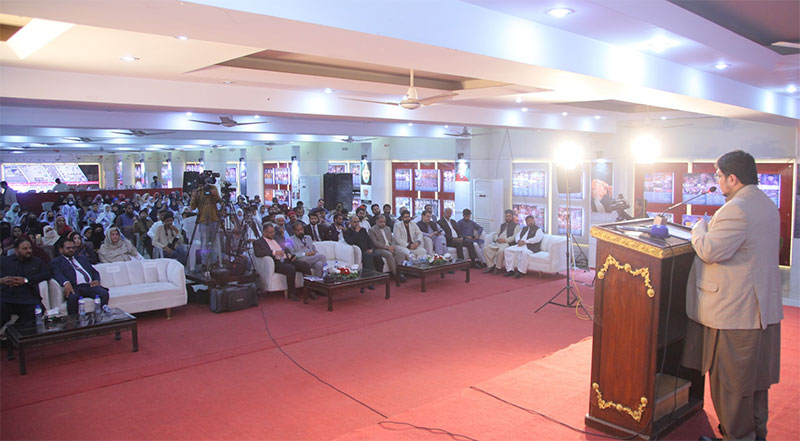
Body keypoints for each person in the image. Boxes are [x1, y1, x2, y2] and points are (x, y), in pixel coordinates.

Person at [681, 151, 783, 441]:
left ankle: (736, 436)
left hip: (737, 314)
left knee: (732, 387)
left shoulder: (736, 208)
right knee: (754, 386)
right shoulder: (765, 203)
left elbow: (710, 250)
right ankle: (753, 435)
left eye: (718, 176)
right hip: (759, 312)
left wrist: (698, 227)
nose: (717, 181)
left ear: (733, 178)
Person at [253, 223, 311, 302]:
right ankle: (292, 293)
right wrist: (274, 252)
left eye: (273, 232)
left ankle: (309, 290)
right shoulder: (258, 242)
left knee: (305, 266)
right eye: (270, 232)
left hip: (286, 259)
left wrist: (290, 255)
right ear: (264, 232)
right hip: (276, 262)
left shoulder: (277, 238)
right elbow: (258, 253)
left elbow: (285, 248)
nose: (272, 234)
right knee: (290, 269)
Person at [0, 238, 51, 328]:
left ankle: (13, 332)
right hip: (6, 296)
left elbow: (47, 274)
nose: (29, 251)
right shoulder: (4, 261)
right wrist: (2, 280)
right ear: (16, 250)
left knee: (37, 309)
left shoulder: (37, 261)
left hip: (27, 296)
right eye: (25, 249)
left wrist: (26, 280)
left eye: (30, 248)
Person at [51, 237, 109, 316]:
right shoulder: (57, 262)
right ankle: (74, 321)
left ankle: (100, 317)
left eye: (73, 248)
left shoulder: (81, 258)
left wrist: (96, 280)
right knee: (72, 298)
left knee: (104, 293)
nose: (71, 250)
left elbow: (94, 272)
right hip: (74, 287)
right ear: (61, 249)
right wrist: (66, 282)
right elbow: (57, 274)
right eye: (68, 248)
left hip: (89, 286)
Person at [368, 215, 407, 284]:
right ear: (376, 222)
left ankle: (400, 272)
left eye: (384, 222)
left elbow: (393, 239)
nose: (383, 223)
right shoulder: (372, 230)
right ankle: (395, 274)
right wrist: (387, 247)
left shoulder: (388, 228)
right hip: (379, 248)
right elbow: (375, 243)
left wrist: (392, 246)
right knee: (389, 255)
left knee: (401, 253)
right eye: (381, 222)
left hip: (390, 247)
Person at [190, 184, 222, 268]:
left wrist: (214, 194)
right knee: (204, 242)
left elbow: (219, 200)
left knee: (215, 242)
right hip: (203, 220)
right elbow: (192, 207)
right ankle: (205, 263)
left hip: (214, 219)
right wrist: (193, 197)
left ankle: (214, 261)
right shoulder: (198, 191)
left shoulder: (213, 188)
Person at [483, 209, 518, 275]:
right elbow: (495, 233)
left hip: (507, 243)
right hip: (498, 242)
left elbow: (514, 236)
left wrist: (505, 240)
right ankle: (490, 266)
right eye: (506, 216)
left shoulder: (516, 226)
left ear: (512, 217)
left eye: (509, 216)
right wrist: (497, 239)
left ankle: (498, 267)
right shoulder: (502, 225)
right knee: (486, 248)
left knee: (501, 250)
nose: (508, 218)